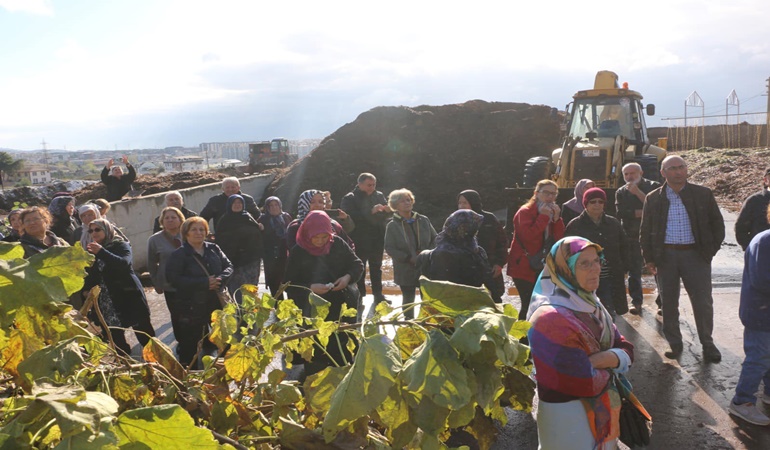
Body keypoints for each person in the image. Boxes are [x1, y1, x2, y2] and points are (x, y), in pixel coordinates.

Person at [527, 236, 634, 449]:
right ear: (565, 269)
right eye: (584, 263)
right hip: (567, 422)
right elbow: (583, 381)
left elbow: (627, 349)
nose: (595, 269)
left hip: (598, 419)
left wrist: (600, 359)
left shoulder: (591, 304)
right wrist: (615, 363)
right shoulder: (549, 318)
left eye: (597, 261)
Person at [640, 155, 725, 362]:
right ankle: (675, 343)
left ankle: (707, 343)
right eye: (672, 168)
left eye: (682, 167)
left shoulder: (702, 194)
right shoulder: (654, 198)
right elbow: (645, 231)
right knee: (669, 302)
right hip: (666, 257)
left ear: (687, 170)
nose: (678, 172)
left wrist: (708, 252)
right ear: (663, 173)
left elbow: (718, 226)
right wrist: (650, 259)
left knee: (703, 302)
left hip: (695, 255)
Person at [284, 211, 363, 377]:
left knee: (342, 348)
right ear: (307, 233)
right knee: (317, 352)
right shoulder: (299, 251)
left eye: (324, 237)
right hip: (313, 310)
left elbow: (356, 264)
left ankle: (343, 380)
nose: (320, 242)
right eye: (316, 238)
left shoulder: (338, 244)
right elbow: (289, 284)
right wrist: (310, 287)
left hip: (341, 306)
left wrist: (347, 278)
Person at [166, 217, 233, 368]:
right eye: (194, 229)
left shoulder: (213, 248)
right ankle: (191, 374)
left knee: (223, 336)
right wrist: (203, 283)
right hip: (191, 306)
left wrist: (220, 279)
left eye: (202, 229)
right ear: (186, 233)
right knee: (192, 342)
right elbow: (173, 278)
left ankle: (226, 369)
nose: (199, 233)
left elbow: (228, 266)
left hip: (216, 301)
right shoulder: (179, 255)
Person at [83, 219, 155, 357]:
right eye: (90, 230)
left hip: (128, 296)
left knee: (144, 333)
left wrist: (102, 252)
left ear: (107, 230)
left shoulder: (120, 245)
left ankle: (157, 362)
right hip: (107, 300)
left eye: (97, 229)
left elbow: (123, 264)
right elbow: (90, 274)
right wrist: (86, 290)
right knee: (115, 336)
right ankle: (126, 364)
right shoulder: (91, 250)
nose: (94, 233)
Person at [728, 215, 770, 426]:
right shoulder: (764, 241)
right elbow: (763, 280)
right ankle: (741, 402)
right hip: (761, 313)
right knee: (759, 357)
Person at [565, 188, 629, 318]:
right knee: (587, 313)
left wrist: (625, 267)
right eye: (593, 201)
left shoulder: (613, 223)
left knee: (609, 313)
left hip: (609, 276)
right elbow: (567, 252)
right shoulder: (575, 225)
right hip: (585, 277)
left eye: (600, 201)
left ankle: (609, 337)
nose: (597, 205)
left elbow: (625, 246)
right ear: (586, 204)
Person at [507, 179, 565, 320]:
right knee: (528, 305)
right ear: (536, 193)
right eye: (546, 193)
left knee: (542, 305)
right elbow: (528, 237)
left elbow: (559, 240)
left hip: (542, 264)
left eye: (553, 194)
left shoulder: (551, 212)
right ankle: (523, 337)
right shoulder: (525, 212)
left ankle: (538, 335)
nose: (550, 197)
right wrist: (543, 217)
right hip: (524, 266)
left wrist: (557, 220)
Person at [615, 162, 661, 315]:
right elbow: (621, 213)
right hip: (632, 237)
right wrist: (643, 212)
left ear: (641, 173)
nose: (629, 177)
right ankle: (636, 302)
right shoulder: (621, 192)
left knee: (659, 270)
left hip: (654, 236)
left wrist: (638, 193)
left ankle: (662, 303)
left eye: (632, 173)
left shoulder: (654, 186)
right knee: (634, 272)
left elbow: (658, 208)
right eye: (626, 174)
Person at [384, 189, 437, 318]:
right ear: (395, 205)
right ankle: (408, 326)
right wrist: (408, 258)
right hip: (405, 267)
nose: (407, 203)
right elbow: (390, 248)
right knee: (408, 300)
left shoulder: (423, 220)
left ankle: (428, 323)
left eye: (409, 200)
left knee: (428, 298)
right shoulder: (392, 225)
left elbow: (435, 239)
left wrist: (427, 254)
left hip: (426, 265)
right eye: (403, 201)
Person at [340, 173, 391, 305]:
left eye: (374, 184)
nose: (372, 187)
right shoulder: (350, 198)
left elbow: (385, 214)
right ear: (360, 184)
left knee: (376, 267)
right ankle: (360, 294)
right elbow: (348, 217)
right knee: (359, 267)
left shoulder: (378, 195)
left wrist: (387, 210)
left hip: (377, 237)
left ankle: (378, 295)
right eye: (369, 185)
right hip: (359, 238)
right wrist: (370, 211)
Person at [417, 210, 495, 294]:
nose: (476, 231)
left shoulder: (477, 250)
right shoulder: (443, 253)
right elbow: (443, 286)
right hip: (455, 301)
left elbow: (487, 279)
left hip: (475, 301)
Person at [457, 189, 508, 303]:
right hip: (465, 268)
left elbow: (502, 243)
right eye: (459, 203)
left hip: (489, 266)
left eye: (465, 202)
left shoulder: (488, 219)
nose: (461, 206)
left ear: (473, 202)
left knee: (493, 301)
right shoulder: (456, 220)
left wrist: (499, 263)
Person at [147, 207, 185, 344]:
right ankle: (182, 342)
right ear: (162, 221)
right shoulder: (154, 240)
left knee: (196, 313)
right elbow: (151, 263)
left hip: (192, 281)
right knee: (177, 315)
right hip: (170, 284)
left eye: (173, 217)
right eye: (166, 218)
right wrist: (156, 282)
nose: (170, 220)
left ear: (180, 219)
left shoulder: (188, 234)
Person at [215, 194, 263, 301]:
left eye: (239, 203)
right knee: (239, 293)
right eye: (234, 203)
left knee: (252, 291)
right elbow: (222, 242)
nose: (237, 205)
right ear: (229, 205)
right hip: (236, 263)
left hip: (252, 262)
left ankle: (251, 315)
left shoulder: (248, 216)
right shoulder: (225, 221)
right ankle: (240, 315)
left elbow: (257, 230)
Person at [286, 189, 353, 251]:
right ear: (304, 204)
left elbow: (349, 246)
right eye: (312, 202)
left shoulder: (333, 224)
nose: (317, 205)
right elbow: (295, 254)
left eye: (321, 202)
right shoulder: (295, 227)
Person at [258, 196, 292, 297]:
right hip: (270, 255)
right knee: (274, 283)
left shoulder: (286, 217)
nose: (274, 207)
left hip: (285, 254)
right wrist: (261, 229)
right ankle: (278, 306)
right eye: (271, 205)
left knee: (288, 280)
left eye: (276, 205)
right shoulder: (263, 219)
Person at [735, 167, 770, 251]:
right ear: (766, 180)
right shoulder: (754, 201)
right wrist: (750, 249)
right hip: (762, 253)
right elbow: (741, 228)